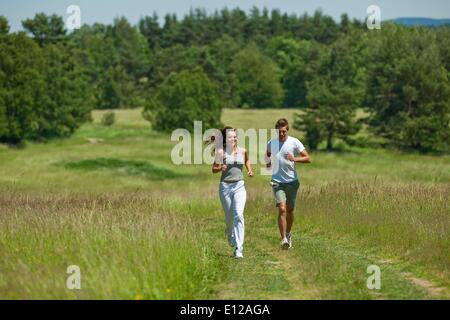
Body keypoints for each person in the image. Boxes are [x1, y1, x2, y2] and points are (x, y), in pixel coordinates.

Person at [266, 119, 311, 250]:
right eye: (279, 132)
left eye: (284, 131)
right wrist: (268, 163)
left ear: (287, 130)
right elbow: (267, 155)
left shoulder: (294, 142)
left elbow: (307, 158)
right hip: (277, 181)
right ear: (276, 131)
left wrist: (294, 159)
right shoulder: (271, 143)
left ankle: (288, 234)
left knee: (290, 210)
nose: (282, 134)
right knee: (282, 208)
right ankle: (283, 239)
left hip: (292, 181)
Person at [210, 126, 254, 258]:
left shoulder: (242, 150)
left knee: (238, 215)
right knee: (229, 217)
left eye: (235, 136)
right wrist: (220, 168)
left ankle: (239, 248)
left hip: (239, 186)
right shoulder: (220, 153)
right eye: (231, 137)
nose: (233, 138)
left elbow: (246, 159)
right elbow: (213, 169)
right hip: (225, 187)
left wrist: (249, 170)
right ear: (226, 139)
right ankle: (230, 233)